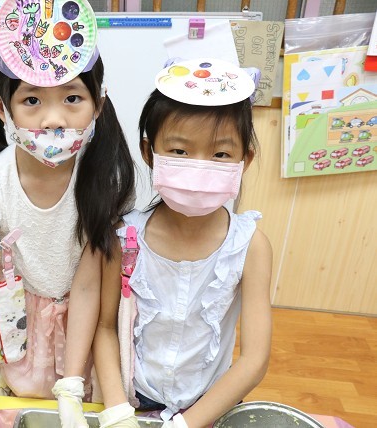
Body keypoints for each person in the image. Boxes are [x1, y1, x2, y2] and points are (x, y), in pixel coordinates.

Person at [0, 0, 134, 425]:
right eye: (32, 100)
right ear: (3, 108)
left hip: (86, 329)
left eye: (72, 98)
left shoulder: (100, 177)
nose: (53, 120)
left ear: (98, 105)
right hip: (18, 325)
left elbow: (89, 288)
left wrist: (74, 379)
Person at [93, 58, 273, 428]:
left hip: (210, 405)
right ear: (149, 152)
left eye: (220, 154)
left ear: (245, 160)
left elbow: (254, 359)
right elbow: (105, 328)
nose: (199, 168)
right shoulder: (124, 238)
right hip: (134, 399)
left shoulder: (251, 246)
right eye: (179, 151)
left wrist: (186, 424)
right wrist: (117, 411)